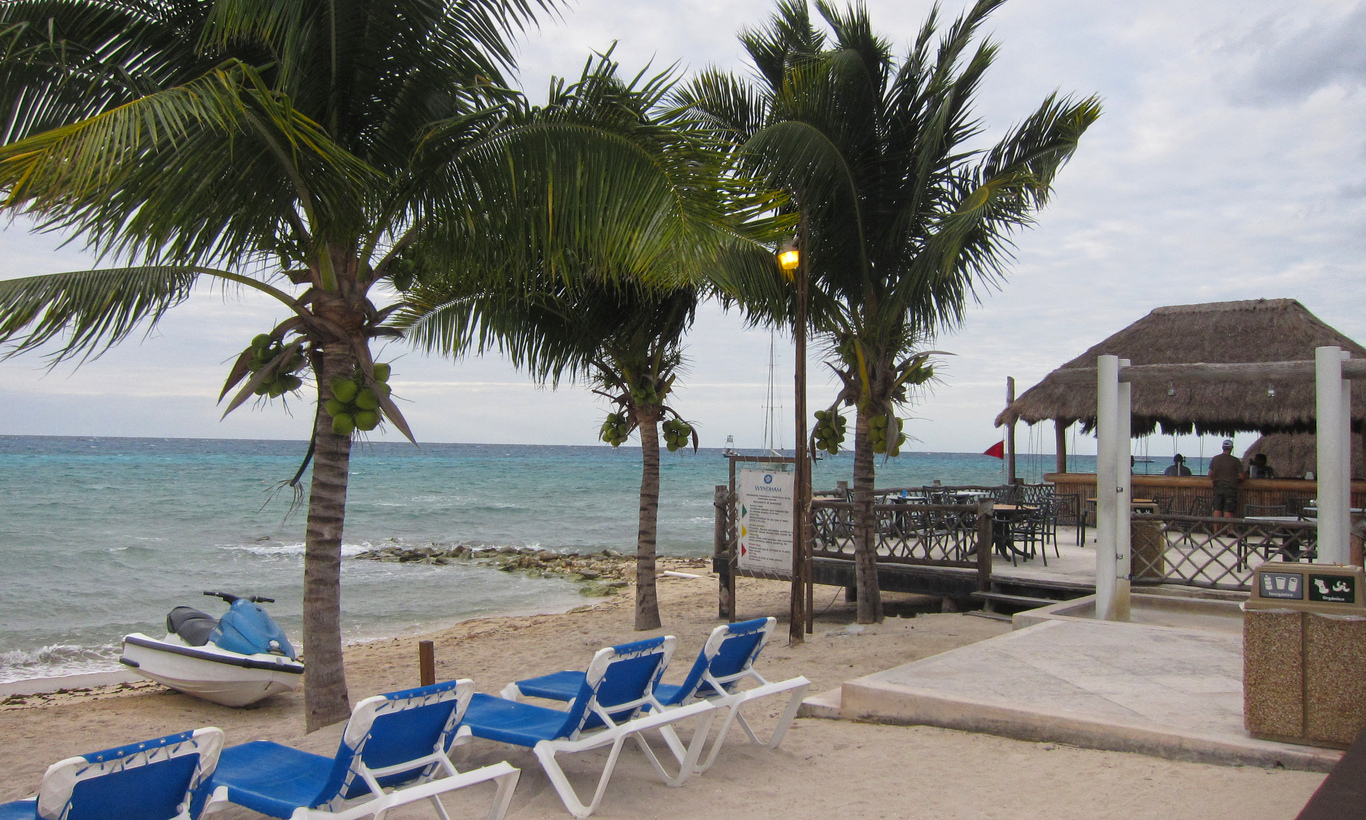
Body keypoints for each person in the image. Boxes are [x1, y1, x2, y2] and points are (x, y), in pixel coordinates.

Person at [1208, 439, 1242, 518]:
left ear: (1222, 447)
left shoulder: (1215, 459)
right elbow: (1241, 476)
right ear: (1231, 448)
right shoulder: (1235, 460)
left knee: (1217, 509)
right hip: (1230, 488)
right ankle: (1228, 526)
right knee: (1228, 510)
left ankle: (1216, 526)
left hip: (1218, 487)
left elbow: (1210, 474)